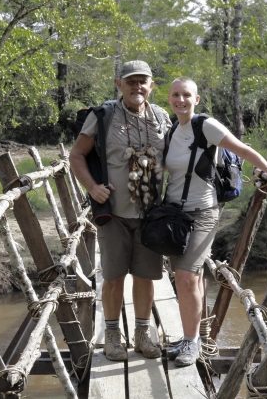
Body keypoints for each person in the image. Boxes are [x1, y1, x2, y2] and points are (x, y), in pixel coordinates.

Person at [164, 77, 267, 367]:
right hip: (174, 215)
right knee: (186, 278)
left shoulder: (205, 125)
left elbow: (242, 149)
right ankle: (187, 337)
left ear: (196, 99)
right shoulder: (172, 131)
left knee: (186, 275)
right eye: (175, 95)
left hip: (203, 212)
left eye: (186, 95)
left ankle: (192, 343)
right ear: (169, 99)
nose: (180, 100)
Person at [70, 60, 171, 361]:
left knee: (145, 276)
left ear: (151, 85)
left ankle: (142, 335)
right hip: (112, 213)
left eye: (143, 81)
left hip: (151, 215)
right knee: (113, 278)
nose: (137, 87)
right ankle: (112, 335)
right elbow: (77, 155)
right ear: (119, 84)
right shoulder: (103, 116)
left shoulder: (162, 117)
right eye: (130, 81)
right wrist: (92, 187)